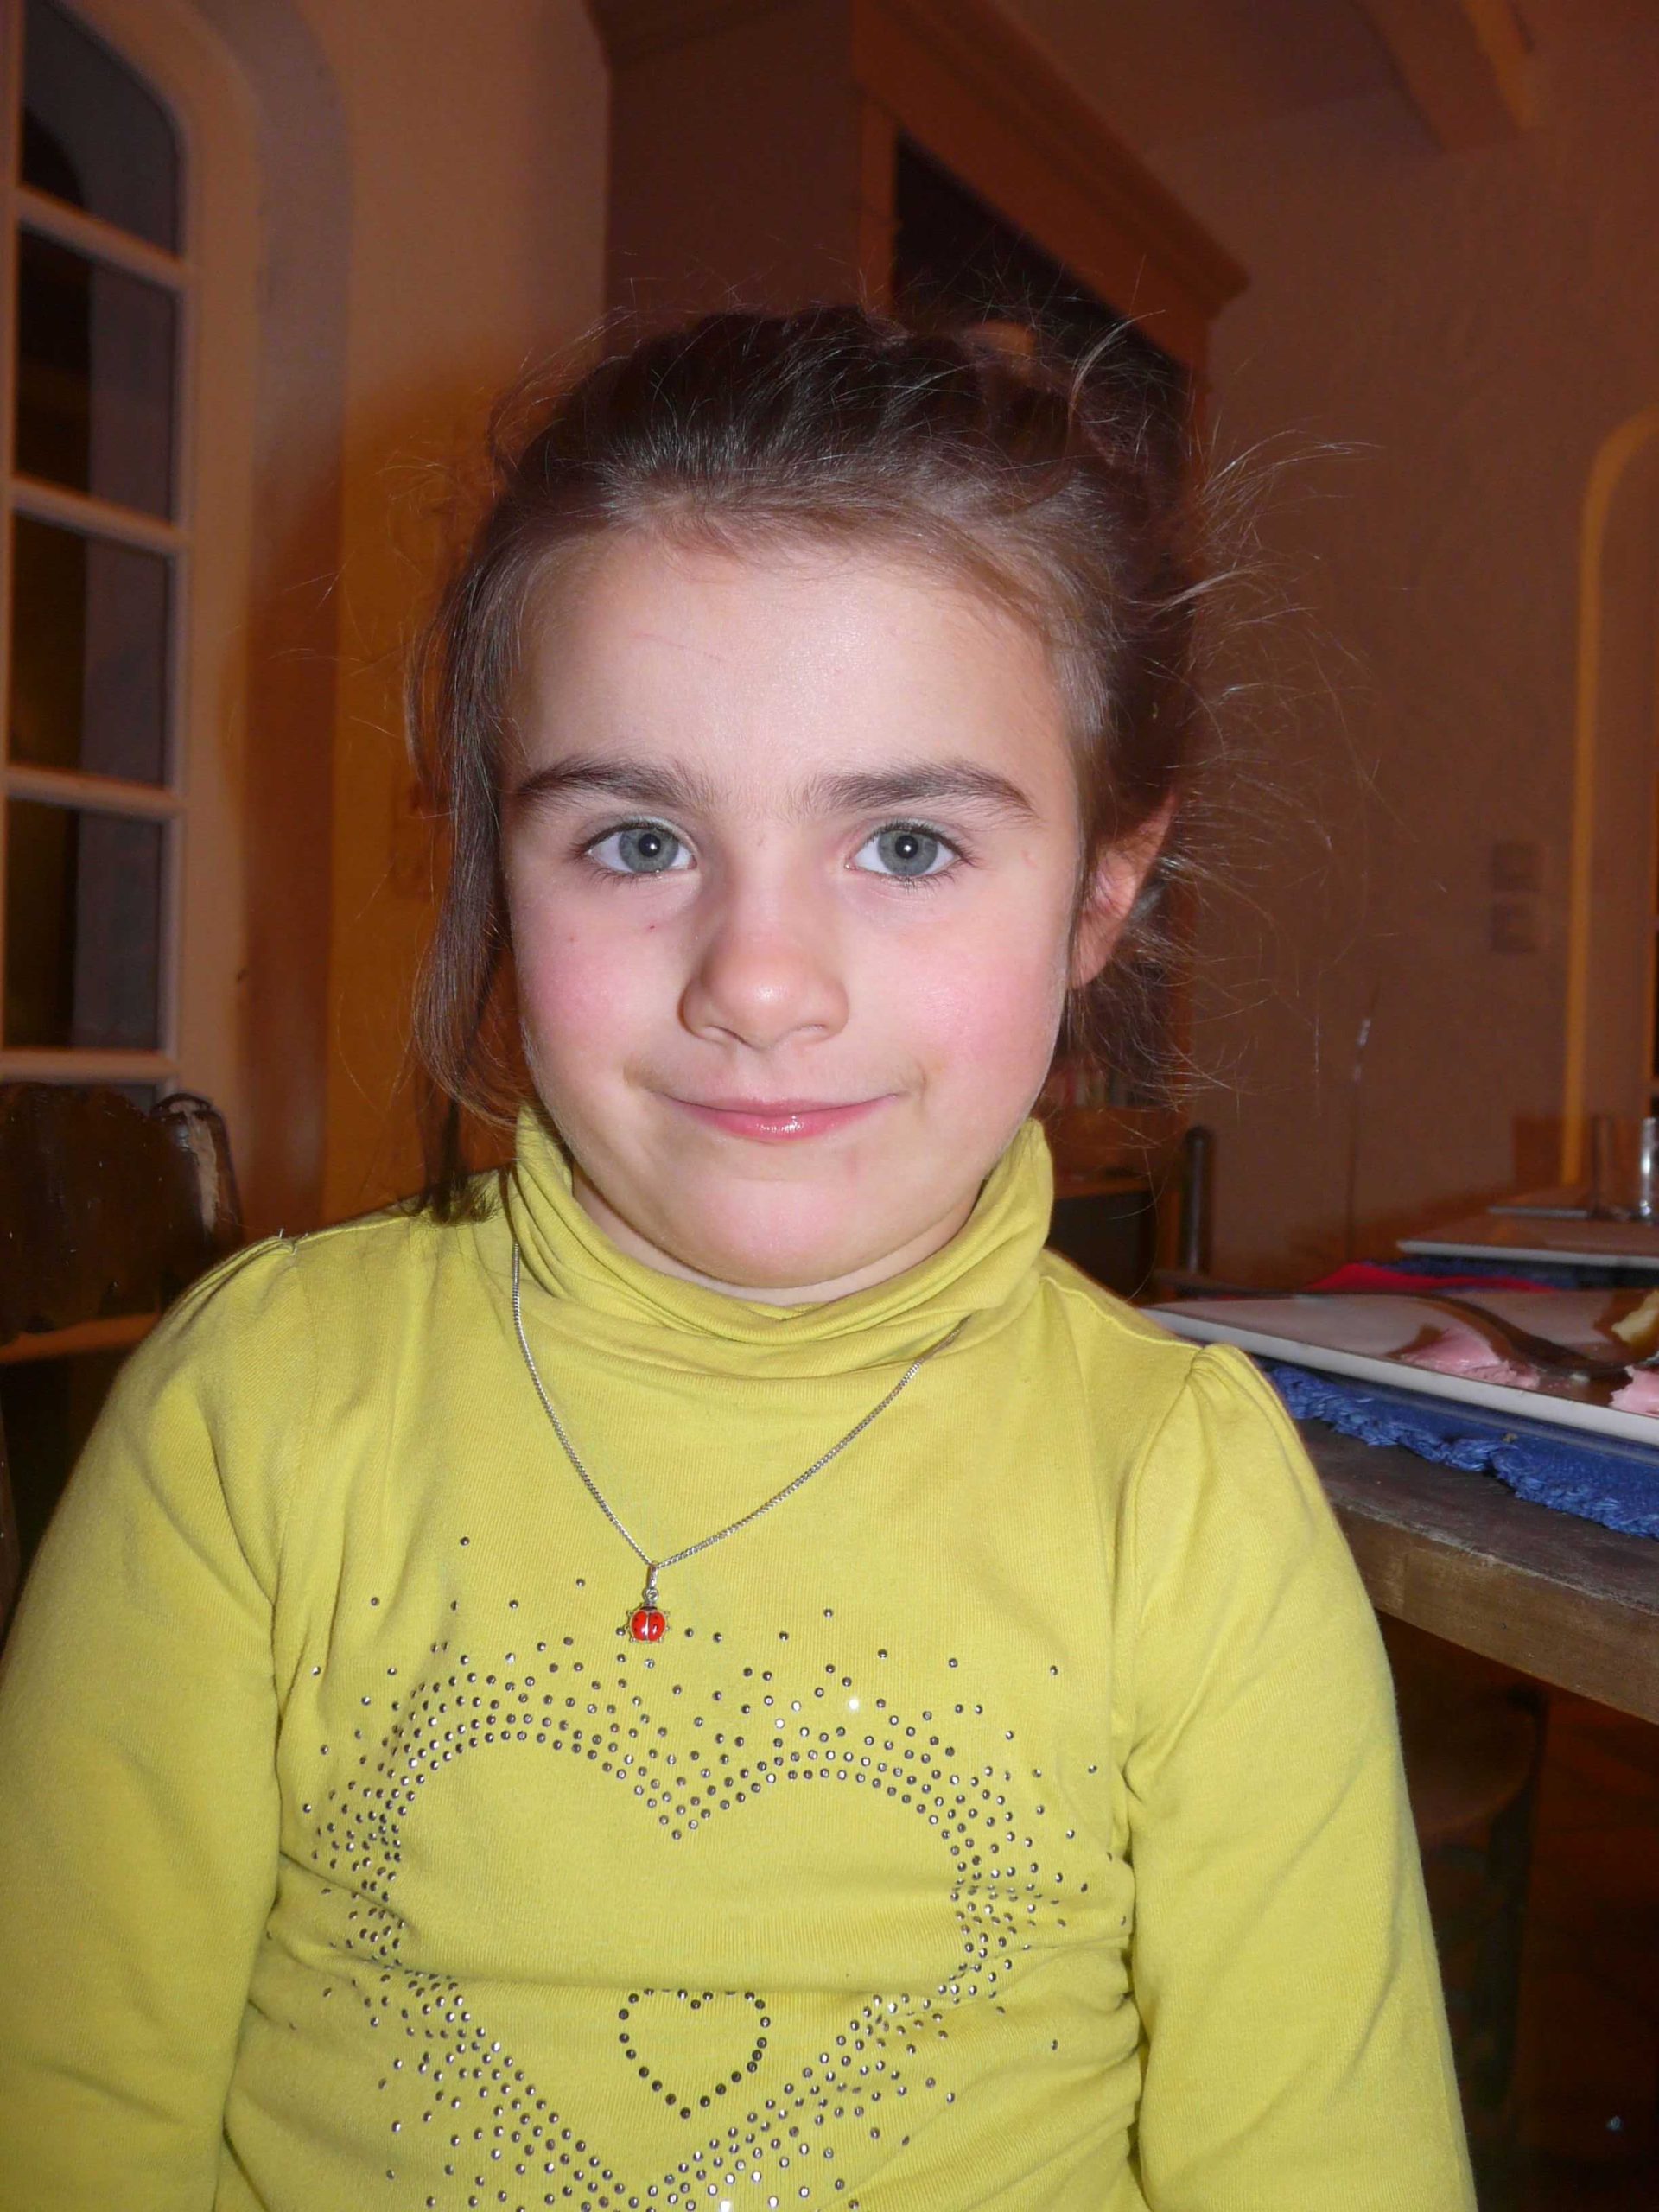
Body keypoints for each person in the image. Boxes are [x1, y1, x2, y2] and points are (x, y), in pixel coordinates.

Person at [0, 308, 1474, 2211]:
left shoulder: (1182, 1498)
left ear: (1102, 891)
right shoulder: (255, 1412)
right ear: (499, 867)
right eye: (637, 841)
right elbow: (60, 2110)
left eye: (909, 845)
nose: (760, 982)